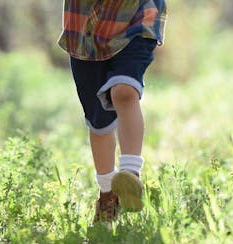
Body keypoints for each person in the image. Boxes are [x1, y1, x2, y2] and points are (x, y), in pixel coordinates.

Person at [58, 0, 167, 223]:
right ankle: (108, 194)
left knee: (124, 91)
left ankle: (130, 174)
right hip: (85, 27)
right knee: (99, 124)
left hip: (137, 17)